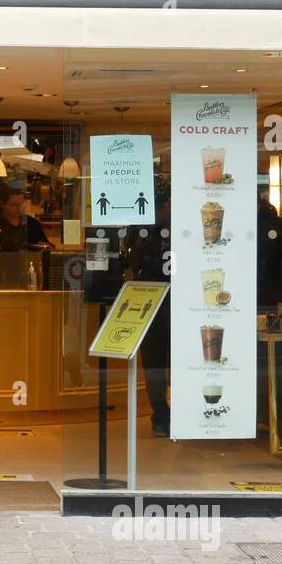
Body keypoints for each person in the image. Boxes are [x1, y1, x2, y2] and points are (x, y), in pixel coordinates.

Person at [128, 179, 172, 436]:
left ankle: (165, 415)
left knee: (162, 361)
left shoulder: (144, 229)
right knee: (157, 361)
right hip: (153, 300)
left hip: (162, 300)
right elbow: (134, 262)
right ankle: (161, 415)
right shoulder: (142, 231)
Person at [0, 184, 51, 251]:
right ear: (2, 204)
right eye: (14, 205)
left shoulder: (32, 223)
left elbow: (46, 247)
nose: (19, 209)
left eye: (21, 204)